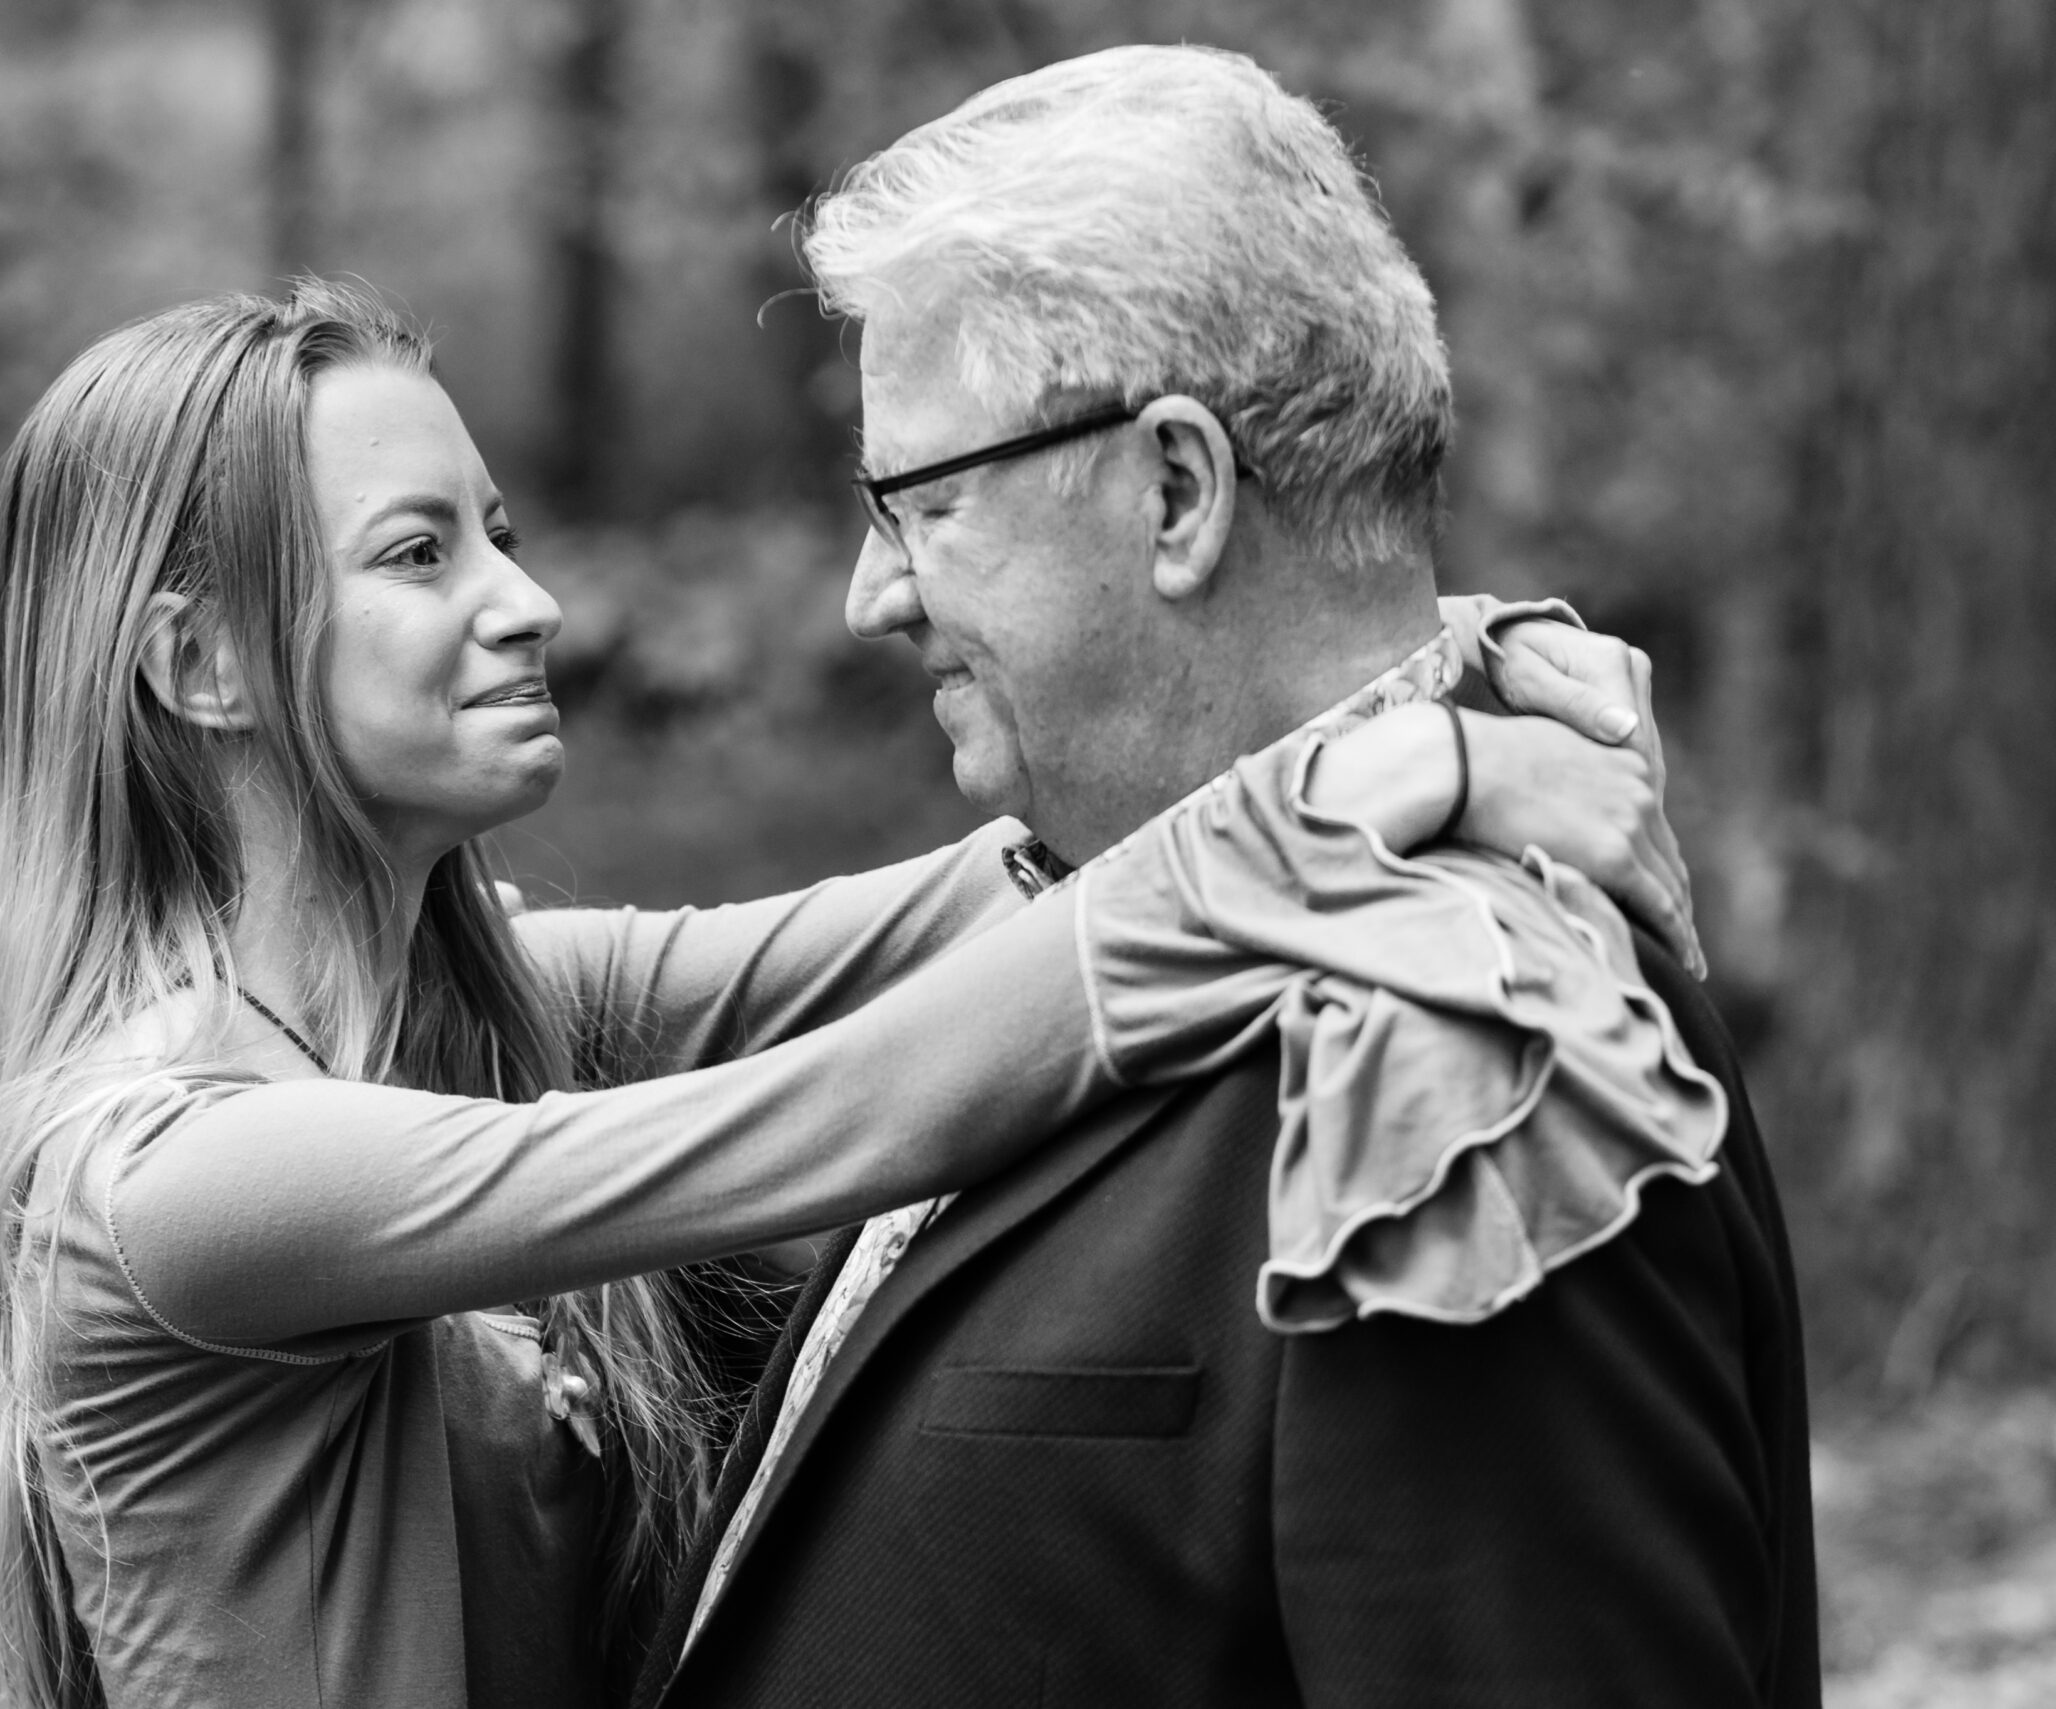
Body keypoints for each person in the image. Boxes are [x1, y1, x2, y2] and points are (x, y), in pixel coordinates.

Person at [0, 279, 1701, 1709]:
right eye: (414, 555)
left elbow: (978, 905)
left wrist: (1426, 666)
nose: (527, 604)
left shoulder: (460, 1011)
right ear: (200, 663)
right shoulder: (176, 1176)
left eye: (502, 536)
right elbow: (848, 1110)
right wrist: (1388, 792)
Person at [640, 45, 1818, 1709]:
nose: (870, 594)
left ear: (1177, 491)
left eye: (920, 504)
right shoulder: (1108, 892)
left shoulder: (1465, 1068)